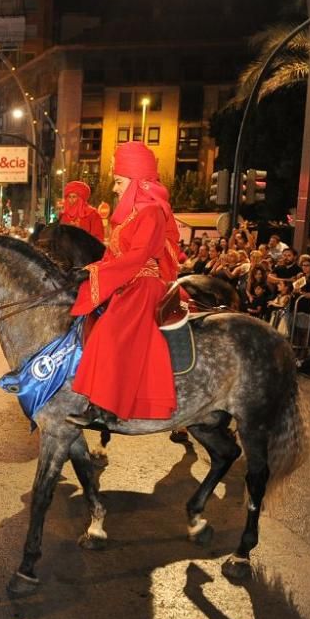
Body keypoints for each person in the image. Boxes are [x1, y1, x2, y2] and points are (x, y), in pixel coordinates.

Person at [67, 142, 180, 429]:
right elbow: (112, 255)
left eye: (118, 182)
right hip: (128, 283)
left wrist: (95, 272)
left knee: (110, 332)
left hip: (143, 284)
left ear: (136, 181)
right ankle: (98, 400)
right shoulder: (130, 216)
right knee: (94, 324)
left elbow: (138, 256)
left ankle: (106, 408)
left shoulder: (151, 212)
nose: (115, 189)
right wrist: (91, 270)